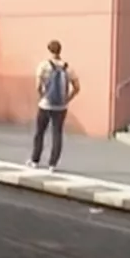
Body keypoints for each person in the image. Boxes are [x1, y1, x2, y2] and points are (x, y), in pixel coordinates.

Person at [26, 40, 80, 172]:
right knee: (57, 133)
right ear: (60, 51)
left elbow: (38, 86)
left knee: (40, 132)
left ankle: (35, 160)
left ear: (49, 50)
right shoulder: (68, 68)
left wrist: (43, 96)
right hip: (61, 107)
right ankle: (53, 164)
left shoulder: (43, 66)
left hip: (45, 105)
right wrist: (67, 99)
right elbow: (77, 87)